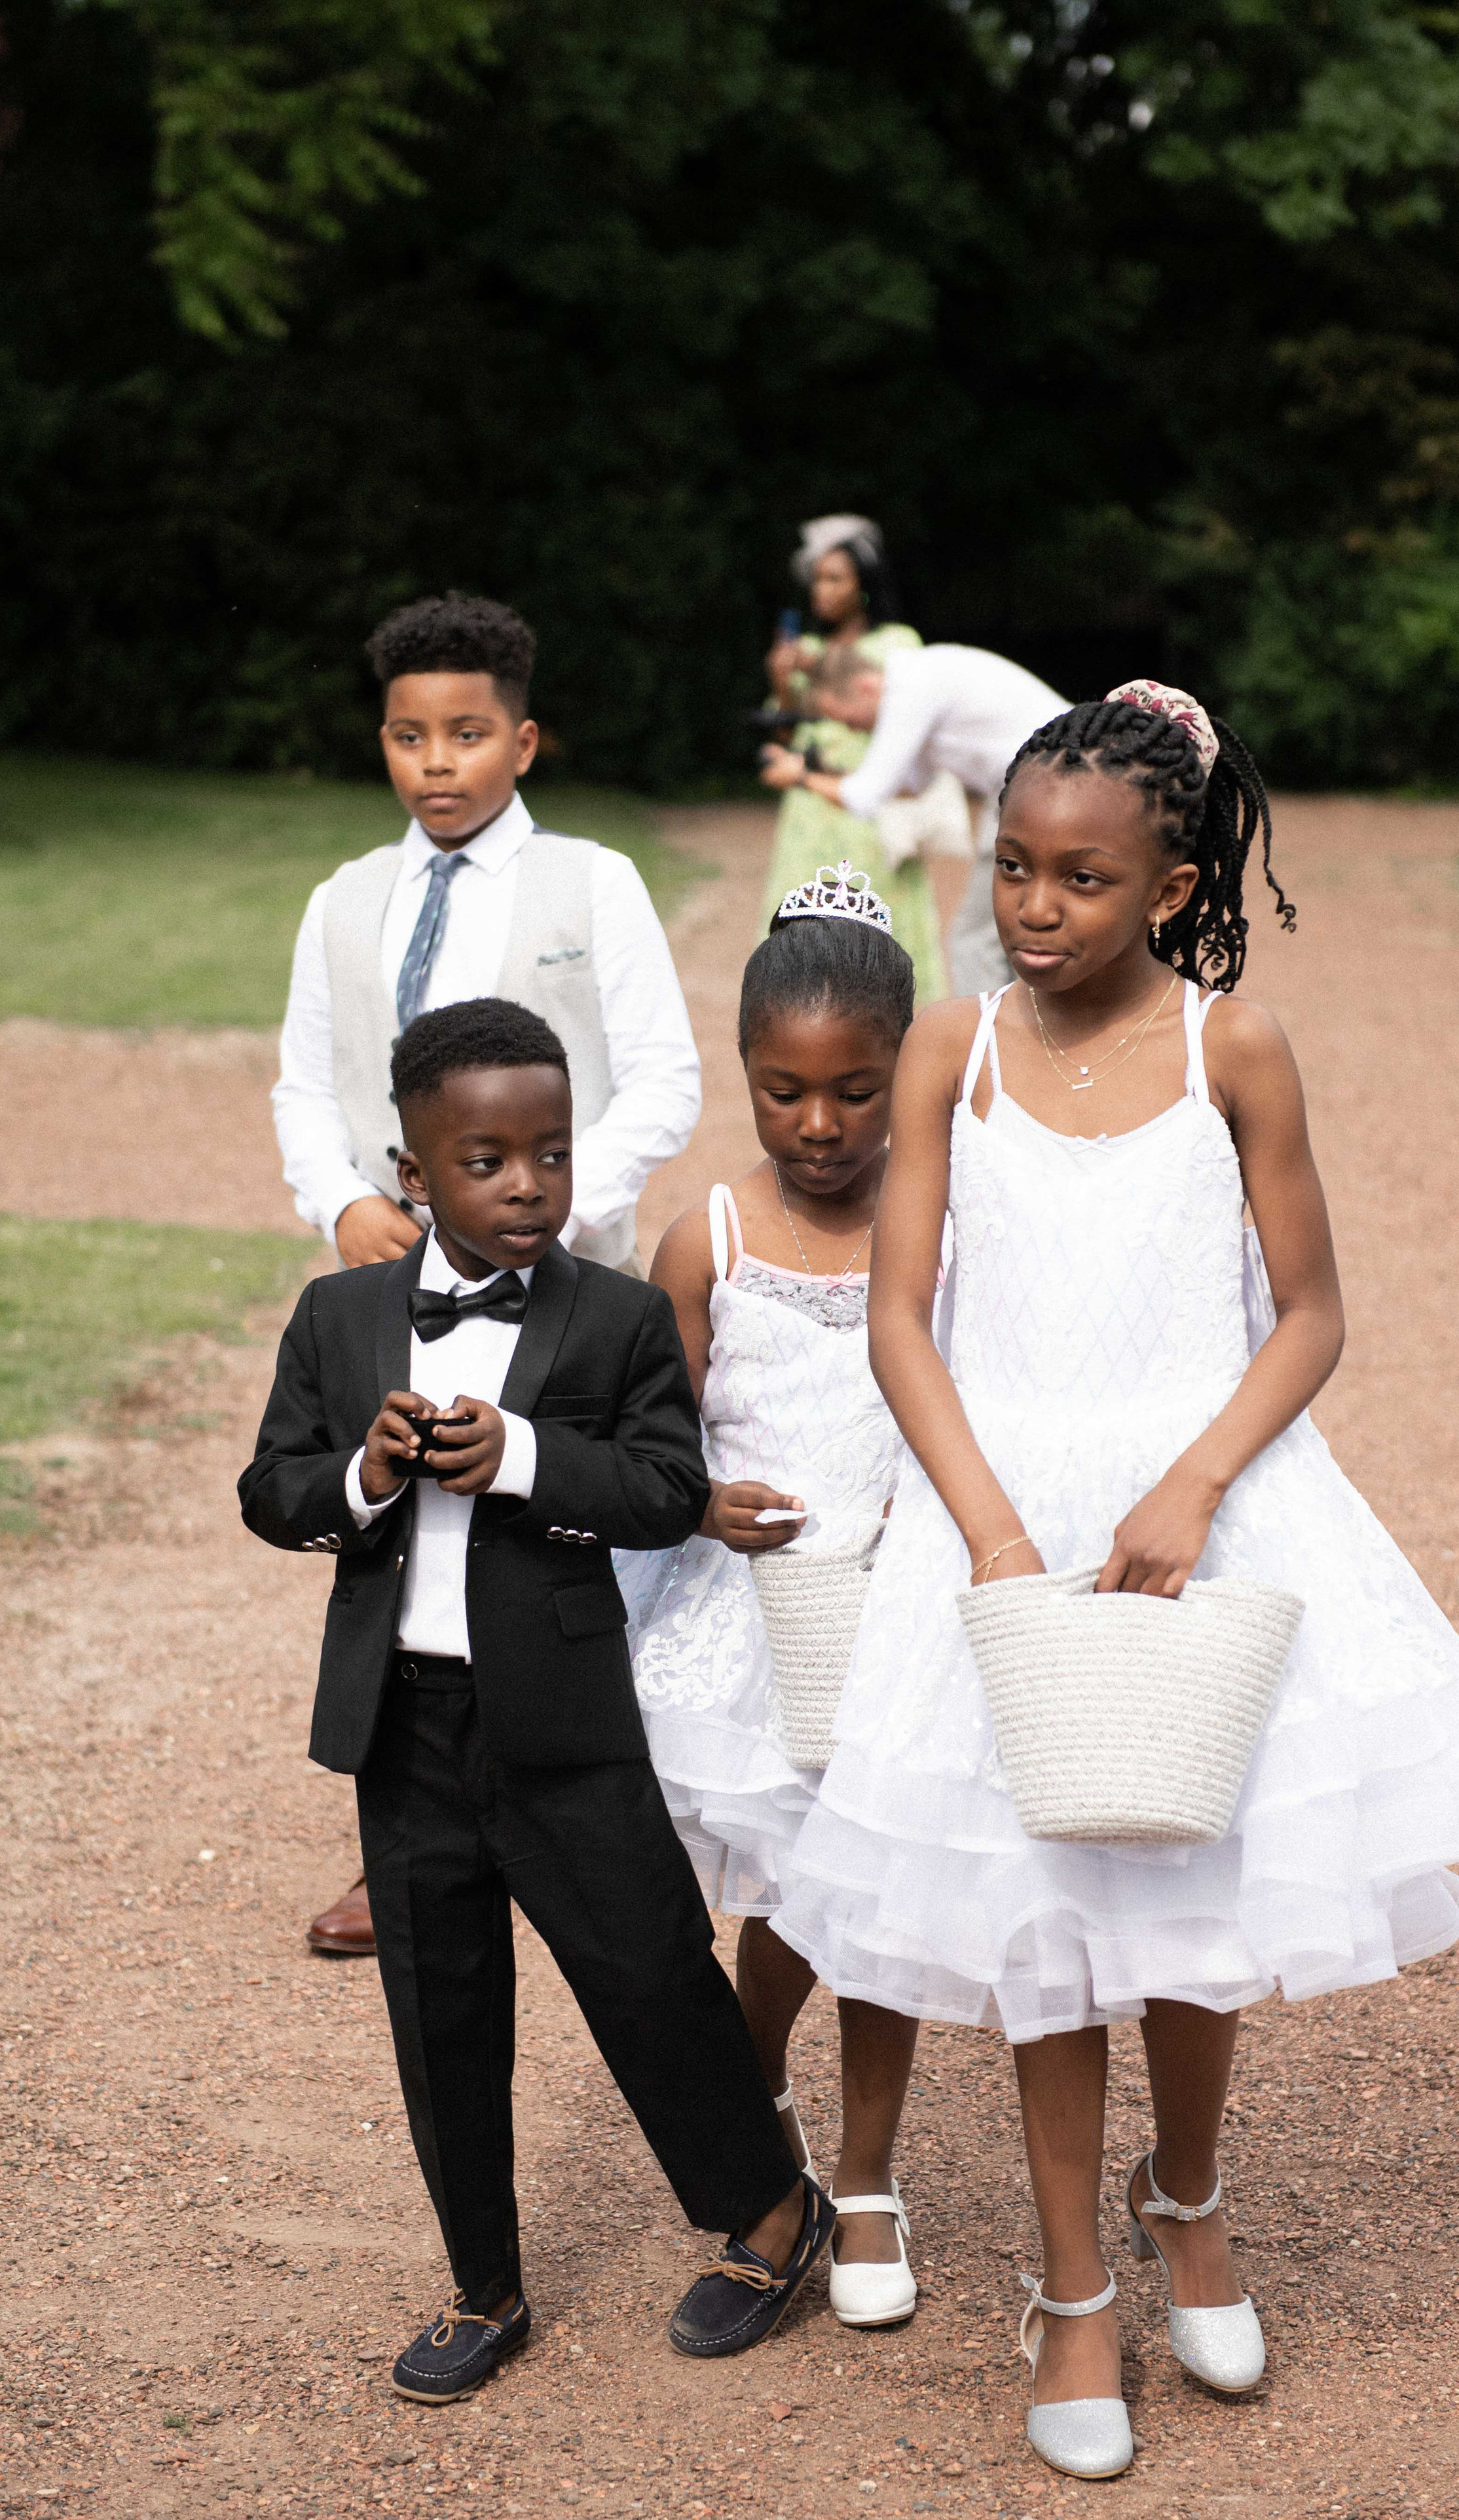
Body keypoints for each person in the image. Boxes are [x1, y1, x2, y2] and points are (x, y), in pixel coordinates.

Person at [773, 685, 1459, 2479]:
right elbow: (898, 1309)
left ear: (1170, 884)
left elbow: (1314, 1309)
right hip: (1001, 1503)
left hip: (1207, 1504)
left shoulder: (1231, 1050)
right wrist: (989, 1529)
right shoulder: (950, 1046)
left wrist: (1193, 1479)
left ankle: (1187, 2189)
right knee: (1045, 1912)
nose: (1035, 904)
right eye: (1015, 865)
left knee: (1188, 1883)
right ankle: (1075, 2286)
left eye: (1082, 877)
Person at [240, 997, 838, 2398]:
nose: (527, 1187)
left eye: (550, 1155)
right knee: (438, 2000)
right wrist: (366, 1479)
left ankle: (768, 2206)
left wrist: (514, 1452)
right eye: (487, 1162)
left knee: (642, 1967)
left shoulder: (616, 1317)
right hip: (405, 1722)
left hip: (560, 1713)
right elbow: (274, 1491)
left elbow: (659, 1490)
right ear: (414, 1173)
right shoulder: (337, 1318)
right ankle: (481, 2283)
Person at [272, 590, 701, 1959]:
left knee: (561, 1545)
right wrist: (345, 1201)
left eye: (466, 734)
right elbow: (302, 1082)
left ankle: (581, 1824)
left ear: (524, 740)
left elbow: (664, 1077)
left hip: (552, 1276)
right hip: (395, 1278)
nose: (437, 763)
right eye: (408, 736)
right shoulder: (346, 903)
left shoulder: (589, 883)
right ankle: (406, 1842)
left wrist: (549, 1221)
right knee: (396, 1537)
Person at [619, 864, 922, 2330]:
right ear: (744, 1077)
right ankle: (755, 2116)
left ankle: (864, 2177)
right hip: (752, 1617)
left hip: (895, 1604)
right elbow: (647, 1439)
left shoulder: (937, 1223)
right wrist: (693, 1499)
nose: (818, 1125)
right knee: (784, 1898)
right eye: (782, 1092)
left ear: (900, 1076)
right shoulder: (708, 1239)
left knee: (876, 1896)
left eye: (856, 1092)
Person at [761, 639, 1063, 997]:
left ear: (865, 687)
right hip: (1033, 793)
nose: (854, 729)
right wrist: (818, 771)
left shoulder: (910, 687)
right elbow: (909, 787)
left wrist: (800, 776)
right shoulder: (919, 678)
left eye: (850, 719)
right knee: (1009, 932)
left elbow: (868, 797)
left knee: (974, 940)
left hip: (1048, 791)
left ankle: (984, 1042)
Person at [757, 516, 944, 1002]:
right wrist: (781, 682)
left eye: (836, 578)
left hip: (869, 804)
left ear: (865, 585)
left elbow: (889, 703)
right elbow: (788, 729)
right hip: (809, 809)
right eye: (818, 578)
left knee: (874, 920)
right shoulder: (810, 647)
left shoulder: (896, 643)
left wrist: (812, 666)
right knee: (804, 921)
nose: (822, 589)